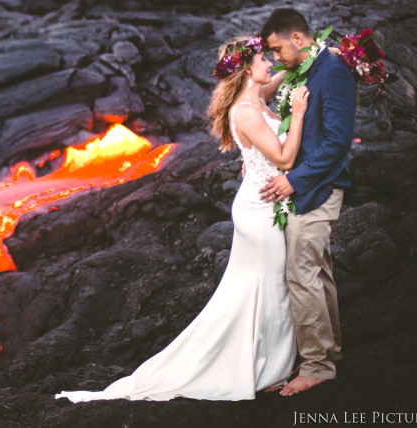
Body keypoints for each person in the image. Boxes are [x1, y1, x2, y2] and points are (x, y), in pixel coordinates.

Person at [54, 35, 310, 402]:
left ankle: (258, 359)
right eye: (262, 58)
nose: (269, 61)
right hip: (260, 208)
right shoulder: (247, 110)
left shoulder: (257, 96)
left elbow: (288, 71)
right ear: (245, 69)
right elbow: (284, 160)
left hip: (262, 201)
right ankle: (264, 366)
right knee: (270, 286)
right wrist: (297, 114)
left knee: (253, 289)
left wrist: (326, 53)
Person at [258, 8, 356, 397]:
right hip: (308, 187)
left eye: (278, 49)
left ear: (298, 39)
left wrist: (292, 180)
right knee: (318, 271)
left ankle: (318, 365)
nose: (276, 58)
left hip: (317, 189)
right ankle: (331, 350)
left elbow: (337, 142)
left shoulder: (332, 73)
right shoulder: (308, 67)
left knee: (300, 273)